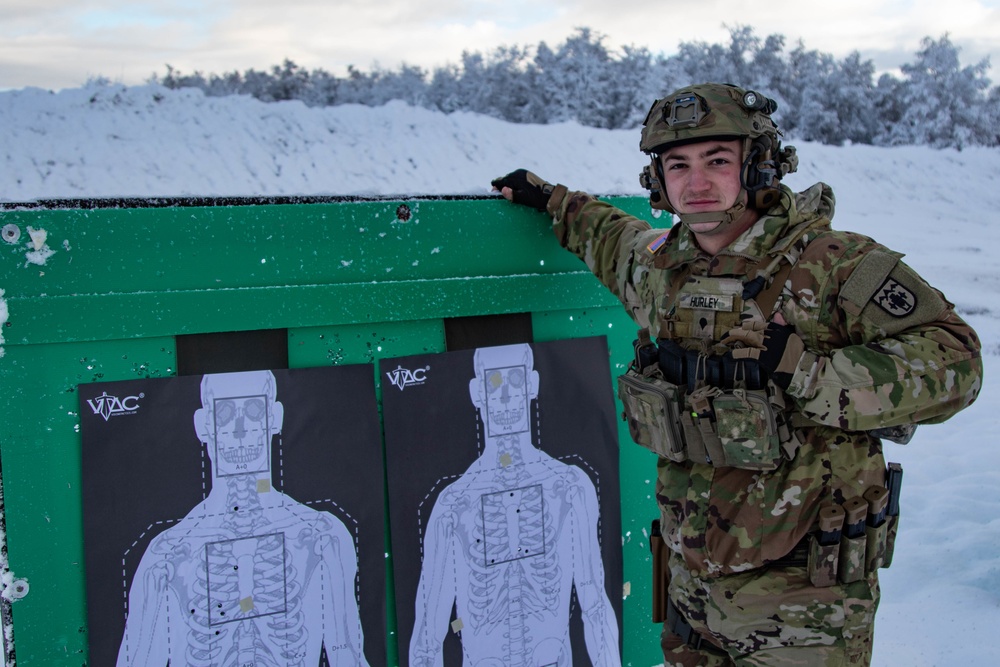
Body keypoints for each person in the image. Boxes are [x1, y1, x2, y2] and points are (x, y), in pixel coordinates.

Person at [491, 83, 982, 666]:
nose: (696, 183)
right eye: (679, 165)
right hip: (690, 593)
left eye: (717, 161)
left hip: (803, 609)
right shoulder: (660, 268)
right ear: (658, 179)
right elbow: (607, 237)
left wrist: (810, 372)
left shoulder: (830, 264)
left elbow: (957, 360)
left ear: (759, 165)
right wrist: (552, 200)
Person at [117, 370, 370, 667]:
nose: (238, 430)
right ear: (203, 425)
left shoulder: (320, 537)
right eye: (223, 413)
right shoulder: (167, 555)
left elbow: (347, 656)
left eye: (252, 411)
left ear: (274, 417)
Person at [409, 343, 621, 666]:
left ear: (532, 385)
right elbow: (428, 637)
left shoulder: (569, 489)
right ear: (476, 392)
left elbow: (595, 608)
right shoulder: (453, 506)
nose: (506, 397)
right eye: (494, 384)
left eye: (515, 381)